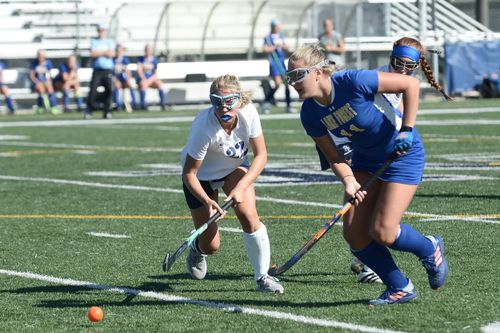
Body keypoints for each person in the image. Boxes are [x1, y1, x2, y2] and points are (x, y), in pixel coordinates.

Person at [286, 44, 449, 305]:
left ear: (318, 72)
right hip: (364, 161)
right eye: (289, 77)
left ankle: (430, 248)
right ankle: (400, 287)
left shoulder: (353, 81)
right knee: (355, 234)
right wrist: (349, 181)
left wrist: (407, 129)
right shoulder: (309, 113)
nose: (293, 83)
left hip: (402, 156)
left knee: (383, 231)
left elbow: (410, 85)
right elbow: (334, 155)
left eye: (297, 75)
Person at [181, 73, 284, 294]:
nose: (224, 108)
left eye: (229, 102)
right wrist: (207, 201)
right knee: (211, 245)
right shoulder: (204, 127)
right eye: (217, 102)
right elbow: (189, 173)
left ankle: (262, 277)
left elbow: (261, 155)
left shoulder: (249, 113)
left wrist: (240, 187)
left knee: (248, 215)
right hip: (200, 179)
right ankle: (197, 249)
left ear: (240, 100)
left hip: (233, 168)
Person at [86, 23, 116, 119]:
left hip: (107, 70)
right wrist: (104, 52)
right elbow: (93, 53)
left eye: (102, 30)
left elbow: (111, 53)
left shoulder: (110, 42)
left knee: (109, 91)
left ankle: (107, 111)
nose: (101, 32)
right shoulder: (94, 41)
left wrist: (100, 52)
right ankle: (89, 110)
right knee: (93, 91)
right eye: (99, 30)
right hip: (97, 70)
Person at [262, 19, 292, 114]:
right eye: (276, 26)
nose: (278, 28)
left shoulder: (281, 36)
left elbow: (286, 47)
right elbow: (265, 49)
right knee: (278, 83)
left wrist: (283, 46)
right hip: (274, 63)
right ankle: (266, 102)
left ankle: (288, 105)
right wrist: (275, 46)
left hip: (281, 61)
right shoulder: (268, 38)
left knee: (287, 84)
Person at [136, 43, 166, 111]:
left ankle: (163, 104)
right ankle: (143, 105)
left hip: (151, 79)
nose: (148, 51)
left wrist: (149, 80)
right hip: (143, 79)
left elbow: (155, 74)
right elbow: (139, 71)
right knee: (143, 84)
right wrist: (144, 79)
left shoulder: (154, 60)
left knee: (160, 85)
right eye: (147, 49)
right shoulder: (140, 59)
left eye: (149, 49)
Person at [29, 49, 59, 115]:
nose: (40, 57)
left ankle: (53, 107)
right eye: (39, 55)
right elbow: (32, 76)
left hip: (46, 81)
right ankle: (41, 107)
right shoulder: (34, 63)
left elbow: (51, 74)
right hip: (37, 82)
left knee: (49, 87)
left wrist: (49, 80)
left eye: (42, 55)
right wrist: (36, 81)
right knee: (40, 88)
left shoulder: (48, 63)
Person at [113, 43, 137, 111]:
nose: (119, 52)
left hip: (124, 78)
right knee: (117, 86)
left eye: (120, 50)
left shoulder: (124, 59)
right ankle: (118, 105)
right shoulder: (113, 59)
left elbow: (127, 71)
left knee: (130, 85)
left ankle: (134, 104)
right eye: (118, 50)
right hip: (116, 79)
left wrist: (128, 79)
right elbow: (112, 73)